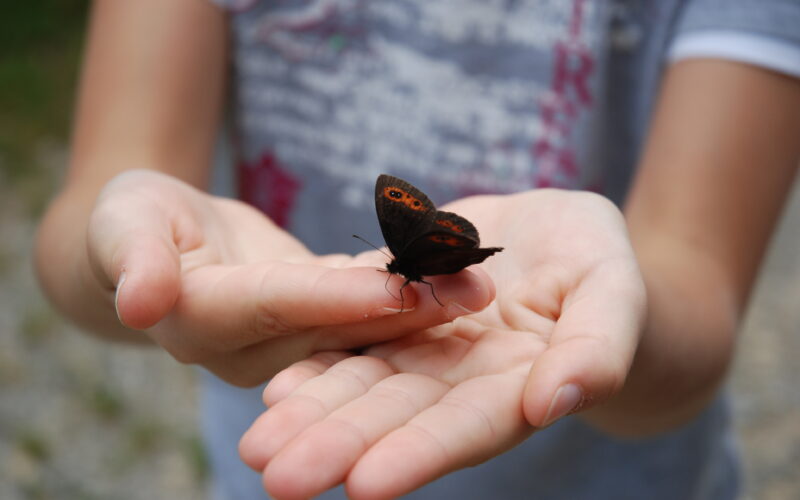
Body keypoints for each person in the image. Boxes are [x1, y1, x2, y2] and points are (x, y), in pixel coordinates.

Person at [35, 0, 800, 498]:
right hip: (280, 459)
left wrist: (615, 311)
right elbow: (91, 208)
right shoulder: (406, 253)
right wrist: (121, 254)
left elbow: (696, 278)